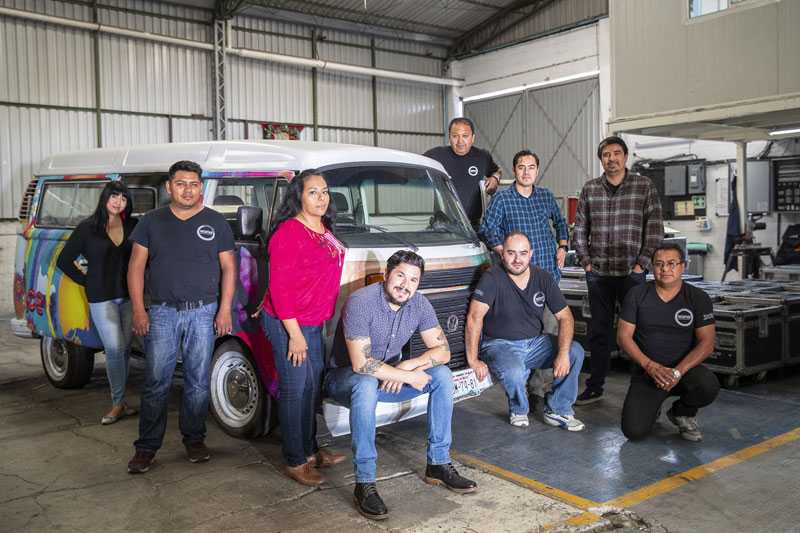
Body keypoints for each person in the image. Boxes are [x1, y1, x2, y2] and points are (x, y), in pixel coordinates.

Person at [324, 250, 476, 521]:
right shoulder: (361, 301)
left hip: (390, 375)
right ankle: (365, 483)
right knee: (368, 383)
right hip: (345, 379)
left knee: (441, 375)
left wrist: (407, 366)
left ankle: (438, 464)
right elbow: (361, 364)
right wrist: (402, 376)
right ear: (386, 274)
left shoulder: (419, 304)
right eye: (400, 276)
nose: (406, 285)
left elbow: (443, 352)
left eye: (414, 280)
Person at [126, 160, 236, 474]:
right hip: (162, 313)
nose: (187, 189)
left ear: (201, 187)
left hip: (203, 312)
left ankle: (194, 439)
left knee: (198, 383)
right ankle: (146, 447)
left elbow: (228, 268)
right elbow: (135, 267)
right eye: (181, 183)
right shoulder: (151, 221)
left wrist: (224, 308)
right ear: (169, 187)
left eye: (193, 184)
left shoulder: (216, 222)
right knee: (156, 383)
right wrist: (138, 309)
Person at [260, 169, 347, 486]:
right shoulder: (288, 233)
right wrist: (294, 336)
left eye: (324, 191)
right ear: (298, 195)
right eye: (313, 192)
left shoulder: (323, 227)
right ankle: (295, 459)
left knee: (311, 389)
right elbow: (281, 290)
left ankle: (311, 450)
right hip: (289, 323)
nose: (321, 198)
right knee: (295, 391)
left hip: (313, 321)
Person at [574, 136, 664, 405]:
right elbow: (580, 229)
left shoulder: (643, 186)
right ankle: (596, 386)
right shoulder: (590, 189)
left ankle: (644, 390)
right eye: (605, 154)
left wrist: (642, 264)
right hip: (599, 274)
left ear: (625, 157)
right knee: (599, 332)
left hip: (631, 275)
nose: (611, 159)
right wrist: (587, 263)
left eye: (616, 153)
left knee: (638, 332)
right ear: (600, 159)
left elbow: (655, 228)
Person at [466, 232, 585, 430]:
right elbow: (474, 317)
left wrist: (563, 354)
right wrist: (473, 359)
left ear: (531, 254)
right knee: (514, 371)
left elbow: (566, 317)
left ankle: (558, 409)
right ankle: (519, 409)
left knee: (575, 351)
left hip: (535, 343)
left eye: (522, 253)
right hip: (499, 344)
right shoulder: (492, 278)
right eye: (511, 253)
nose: (517, 259)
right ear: (502, 254)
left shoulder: (543, 277)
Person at [617, 243, 719, 442]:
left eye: (672, 264)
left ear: (683, 266)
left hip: (684, 372)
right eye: (659, 264)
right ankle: (652, 407)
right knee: (634, 432)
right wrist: (650, 366)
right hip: (648, 373)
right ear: (651, 267)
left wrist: (677, 372)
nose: (665, 269)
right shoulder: (637, 295)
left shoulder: (698, 298)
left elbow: (707, 343)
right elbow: (623, 337)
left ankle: (682, 412)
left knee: (708, 386)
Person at [57, 181, 138, 425]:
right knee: (113, 349)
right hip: (101, 299)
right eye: (114, 197)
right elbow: (64, 260)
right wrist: (86, 281)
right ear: (105, 198)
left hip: (126, 297)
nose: (118, 202)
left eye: (123, 198)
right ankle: (116, 403)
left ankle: (122, 402)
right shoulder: (87, 228)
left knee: (124, 349)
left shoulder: (133, 225)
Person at [480, 150, 569, 282]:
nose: (526, 172)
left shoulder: (546, 196)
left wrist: (563, 248)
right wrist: (503, 252)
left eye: (531, 167)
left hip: (548, 270)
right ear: (514, 170)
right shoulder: (502, 199)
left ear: (537, 170)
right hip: (517, 275)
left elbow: (560, 223)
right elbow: (486, 230)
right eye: (521, 167)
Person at [424, 117, 501, 228]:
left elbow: (497, 170)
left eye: (465, 136)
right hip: (443, 225)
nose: (460, 141)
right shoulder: (435, 155)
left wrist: (495, 178)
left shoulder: (482, 156)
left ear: (473, 138)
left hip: (473, 225)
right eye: (455, 136)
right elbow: (413, 169)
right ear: (449, 137)